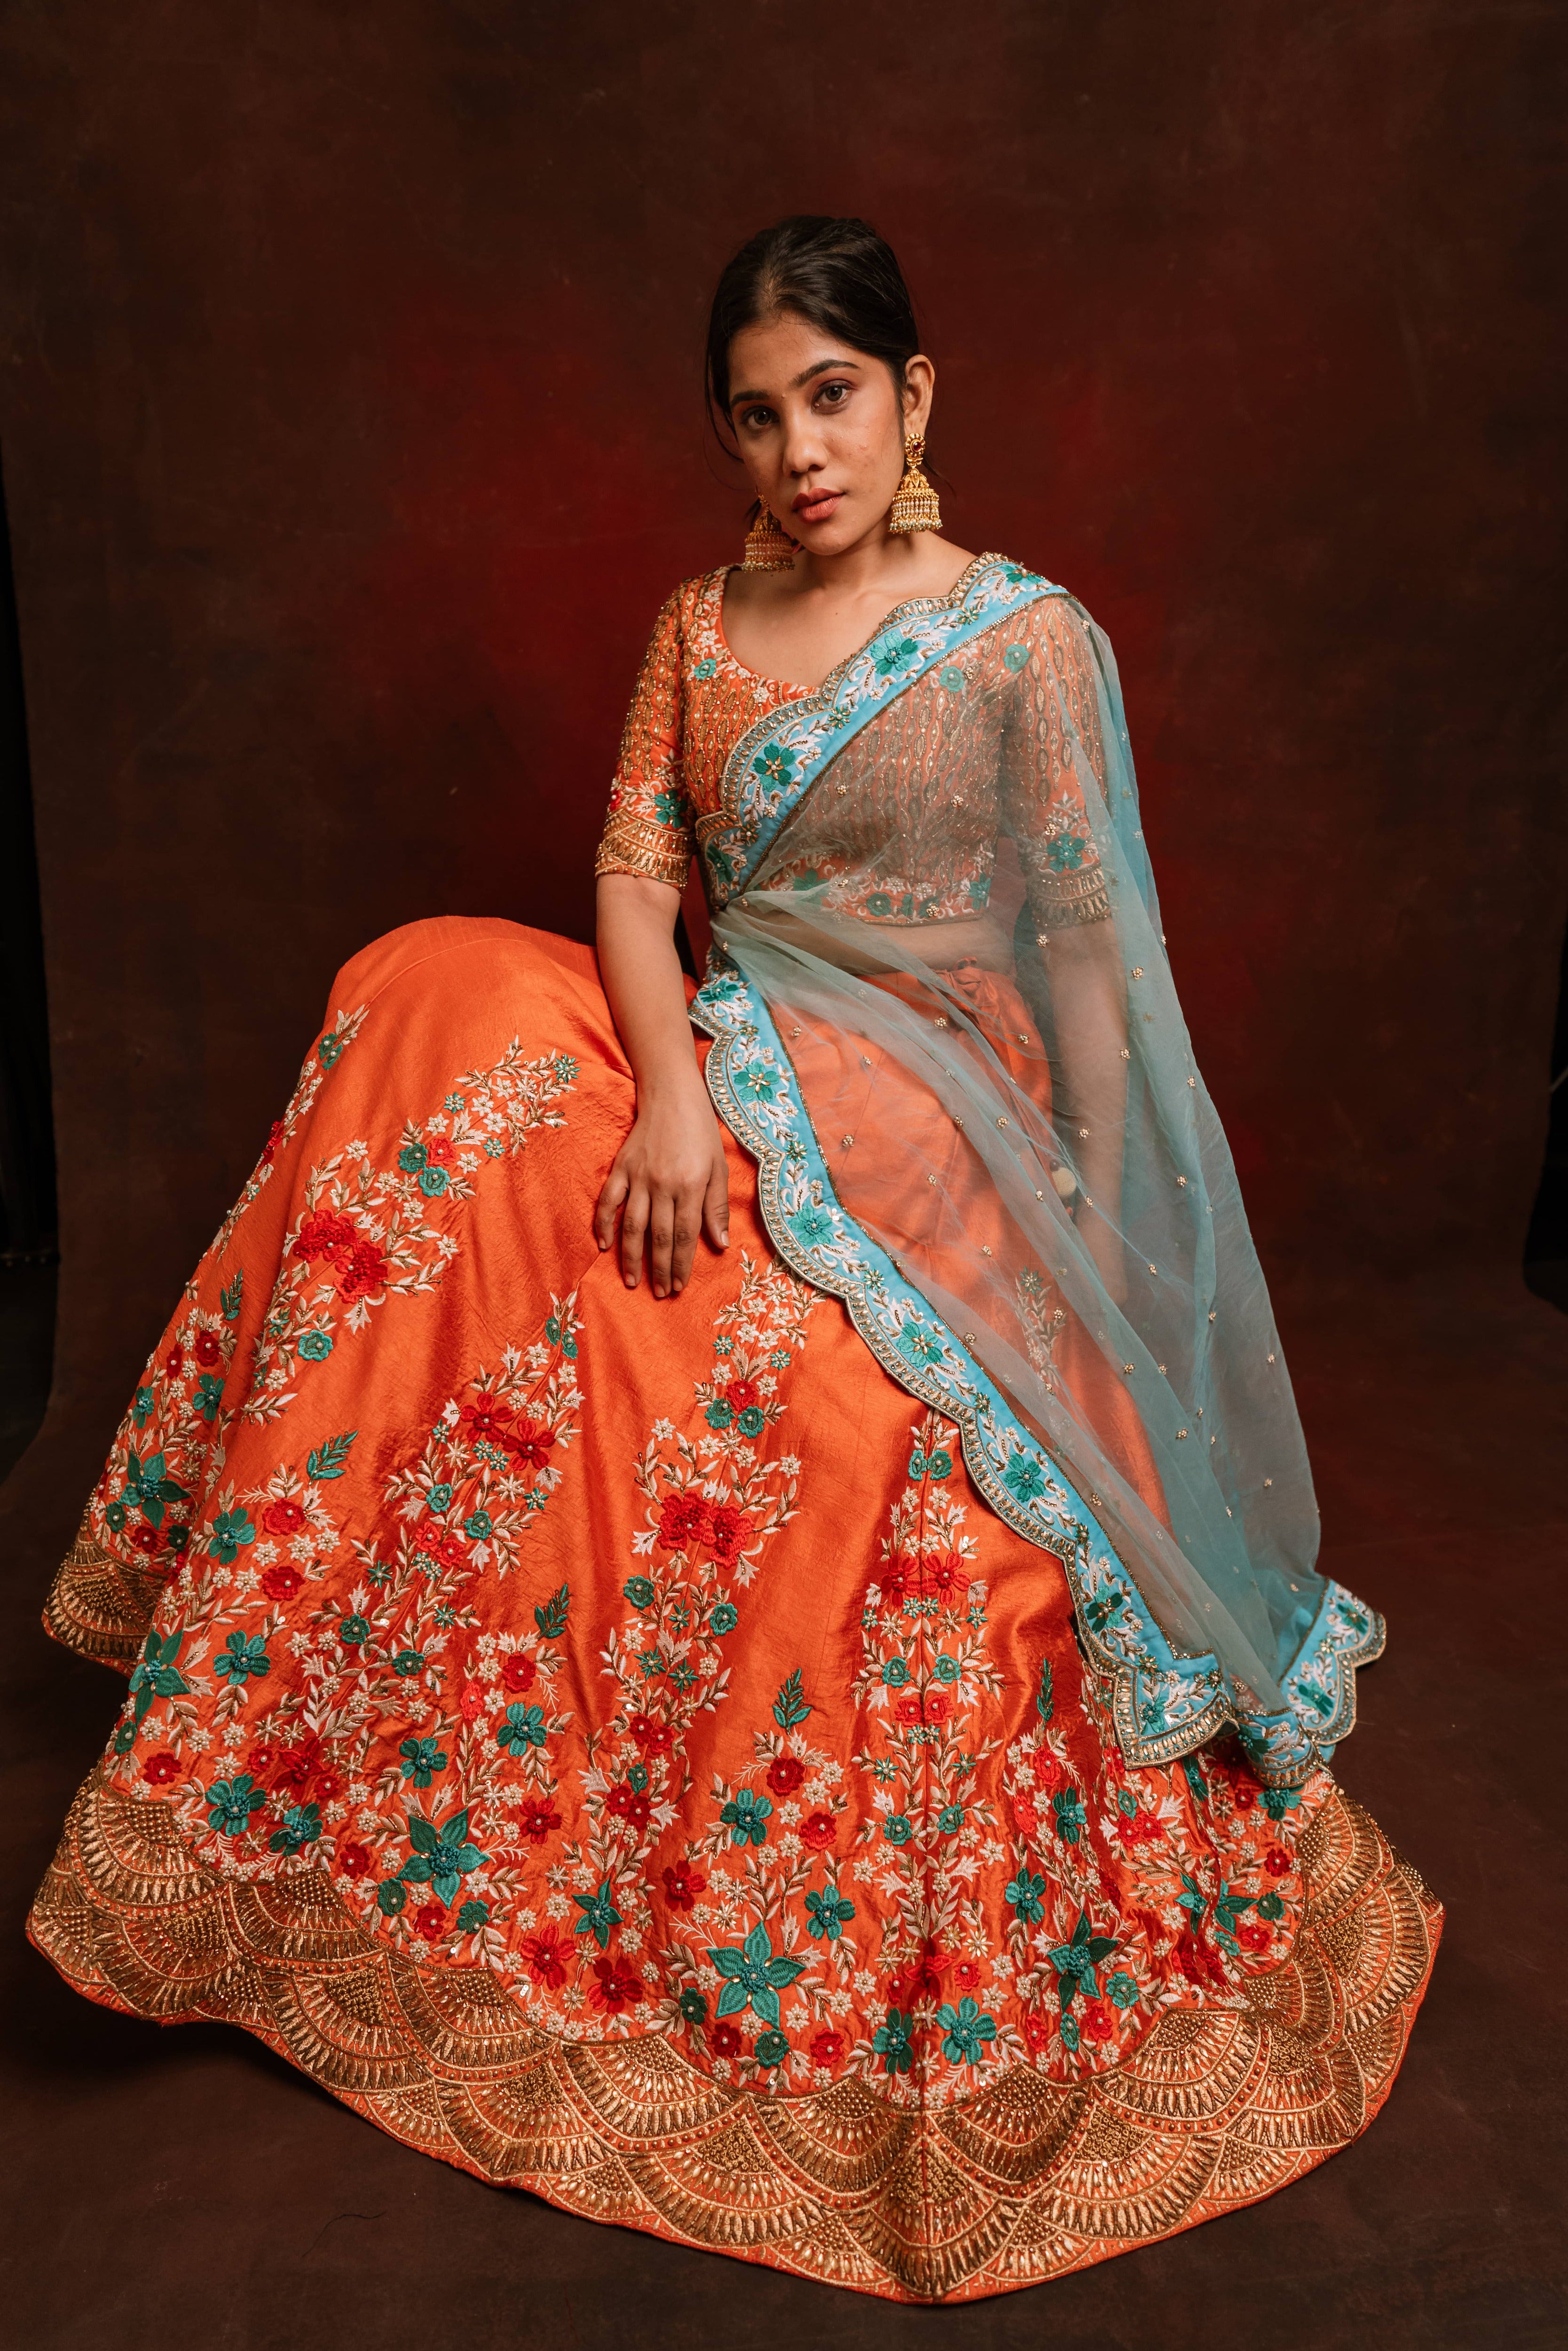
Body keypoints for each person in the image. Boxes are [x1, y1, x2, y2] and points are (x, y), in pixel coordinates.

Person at [29, 216, 1439, 2305]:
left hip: (941, 1120)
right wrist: (682, 1082)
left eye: (838, 394)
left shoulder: (1018, 639)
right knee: (428, 993)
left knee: (914, 1512)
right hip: (726, 1058)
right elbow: (631, 865)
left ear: (919, 394)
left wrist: (1122, 1264)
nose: (803, 449)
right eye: (762, 412)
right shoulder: (704, 617)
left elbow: (1092, 972)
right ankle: (277, 1663)